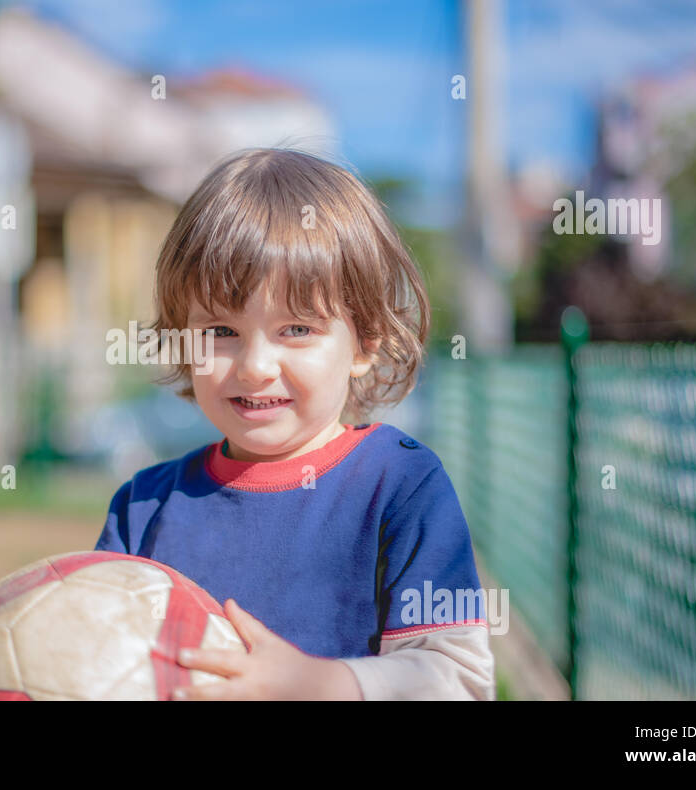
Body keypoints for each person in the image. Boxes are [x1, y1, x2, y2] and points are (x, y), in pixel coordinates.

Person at [93, 147, 495, 700]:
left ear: (366, 342)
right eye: (220, 331)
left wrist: (320, 684)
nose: (256, 366)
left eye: (297, 329)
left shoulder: (401, 485)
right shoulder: (142, 509)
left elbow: (459, 681)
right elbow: (92, 662)